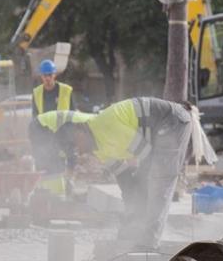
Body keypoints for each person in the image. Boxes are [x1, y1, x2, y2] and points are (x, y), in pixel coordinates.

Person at [55, 96, 195, 250]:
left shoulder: (106, 126)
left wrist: (137, 211)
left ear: (78, 132)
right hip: (156, 135)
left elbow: (147, 156)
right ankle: (141, 236)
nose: (80, 153)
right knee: (143, 186)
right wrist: (130, 216)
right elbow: (126, 181)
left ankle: (148, 244)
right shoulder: (98, 149)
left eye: (76, 147)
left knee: (158, 179)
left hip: (172, 120)